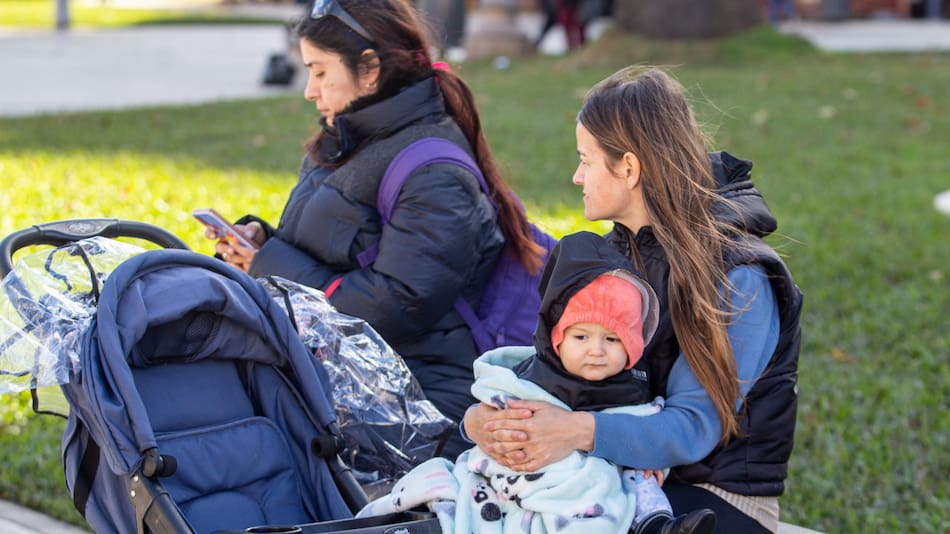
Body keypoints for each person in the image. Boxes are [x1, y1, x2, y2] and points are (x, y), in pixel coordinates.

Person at [462, 67, 803, 533]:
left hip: (714, 499)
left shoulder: (737, 276)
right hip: (615, 476)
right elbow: (563, 366)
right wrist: (485, 418)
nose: (576, 176)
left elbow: (693, 427)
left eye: (586, 159)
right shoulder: (618, 255)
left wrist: (577, 431)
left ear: (628, 167)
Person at [205, 0, 546, 460]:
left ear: (369, 70)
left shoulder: (434, 170)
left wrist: (270, 265)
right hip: (353, 367)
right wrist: (263, 244)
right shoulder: (347, 138)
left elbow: (398, 305)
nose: (310, 90)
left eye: (321, 71)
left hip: (424, 389)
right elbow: (337, 254)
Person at [358, 231, 716, 534]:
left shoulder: (631, 387)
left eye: (612, 340)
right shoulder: (530, 378)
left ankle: (656, 526)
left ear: (634, 348)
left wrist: (645, 455)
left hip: (602, 478)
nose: (596, 351)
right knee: (582, 483)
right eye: (581, 338)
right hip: (530, 474)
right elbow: (496, 416)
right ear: (557, 339)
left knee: (637, 482)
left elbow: (645, 426)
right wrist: (483, 423)